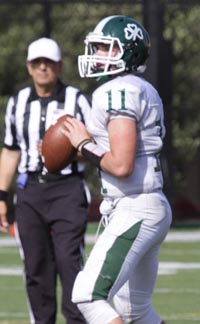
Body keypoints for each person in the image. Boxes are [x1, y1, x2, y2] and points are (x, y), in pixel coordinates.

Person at [62, 15, 172, 324]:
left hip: (135, 207)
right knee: (135, 312)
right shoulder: (139, 87)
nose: (95, 54)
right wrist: (86, 149)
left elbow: (121, 165)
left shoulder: (117, 91)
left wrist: (84, 145)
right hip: (147, 204)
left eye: (104, 48)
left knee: (87, 295)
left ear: (128, 52)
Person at [0, 37, 91, 324]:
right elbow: (11, 150)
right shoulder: (18, 102)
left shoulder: (77, 100)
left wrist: (66, 153)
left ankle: (77, 321)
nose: (43, 68)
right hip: (31, 192)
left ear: (59, 66)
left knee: (69, 263)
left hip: (67, 190)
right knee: (36, 267)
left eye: (48, 63)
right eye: (37, 63)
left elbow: (94, 148)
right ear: (29, 67)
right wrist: (1, 195)